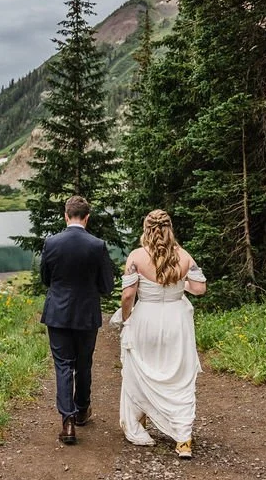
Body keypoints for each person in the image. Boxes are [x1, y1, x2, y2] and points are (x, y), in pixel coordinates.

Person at [114, 209, 206, 459]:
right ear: (169, 228)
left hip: (147, 319)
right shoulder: (185, 256)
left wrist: (126, 319)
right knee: (180, 376)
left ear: (146, 229)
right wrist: (180, 285)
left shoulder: (136, 257)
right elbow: (199, 288)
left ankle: (140, 424)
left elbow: (128, 294)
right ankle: (183, 440)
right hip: (177, 321)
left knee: (142, 370)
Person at [39, 195, 115, 445]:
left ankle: (67, 422)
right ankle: (82, 410)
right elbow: (106, 286)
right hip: (86, 314)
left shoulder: (51, 243)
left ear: (66, 215)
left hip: (58, 313)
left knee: (63, 365)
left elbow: (46, 279)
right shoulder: (97, 245)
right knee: (84, 363)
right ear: (87, 218)